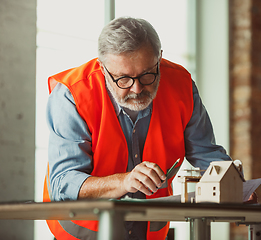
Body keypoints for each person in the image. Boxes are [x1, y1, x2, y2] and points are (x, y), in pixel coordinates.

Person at [43, 17, 249, 240]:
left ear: (159, 57)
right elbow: (63, 184)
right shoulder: (72, 94)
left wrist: (237, 187)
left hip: (148, 229)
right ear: (103, 68)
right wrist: (124, 181)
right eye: (123, 79)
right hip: (83, 231)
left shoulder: (181, 85)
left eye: (147, 75)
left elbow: (206, 153)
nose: (137, 88)